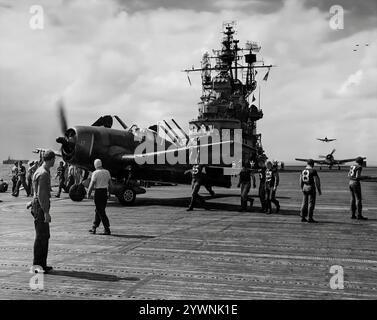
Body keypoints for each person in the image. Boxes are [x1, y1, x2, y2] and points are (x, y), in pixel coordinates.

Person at [30, 149, 55, 273]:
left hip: (37, 204)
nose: (54, 162)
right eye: (54, 159)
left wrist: (32, 202)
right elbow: (42, 194)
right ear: (50, 159)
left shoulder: (39, 171)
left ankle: (41, 264)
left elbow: (35, 190)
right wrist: (46, 212)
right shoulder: (44, 173)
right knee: (42, 236)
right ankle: (38, 265)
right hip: (41, 207)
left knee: (43, 236)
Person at [87, 159, 112, 235]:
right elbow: (110, 184)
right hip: (104, 192)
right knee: (99, 210)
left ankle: (107, 228)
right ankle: (94, 227)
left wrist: (88, 193)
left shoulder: (95, 173)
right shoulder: (107, 172)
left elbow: (92, 184)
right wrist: (109, 193)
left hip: (98, 193)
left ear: (95, 165)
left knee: (100, 211)